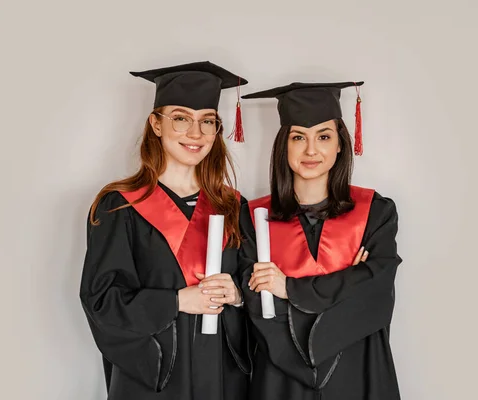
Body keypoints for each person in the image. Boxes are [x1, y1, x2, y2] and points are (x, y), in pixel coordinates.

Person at [80, 61, 251, 400]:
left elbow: (256, 288)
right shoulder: (120, 207)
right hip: (155, 382)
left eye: (207, 121)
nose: (196, 133)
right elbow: (101, 302)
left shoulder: (235, 206)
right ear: (156, 124)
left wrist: (238, 295)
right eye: (181, 118)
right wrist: (176, 301)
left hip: (223, 377)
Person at [239, 82, 402, 399]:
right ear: (284, 146)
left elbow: (375, 292)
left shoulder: (376, 213)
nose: (311, 150)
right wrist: (347, 281)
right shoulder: (252, 217)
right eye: (298, 137)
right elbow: (258, 306)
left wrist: (287, 288)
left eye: (324, 137)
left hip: (358, 368)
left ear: (341, 144)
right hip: (280, 374)